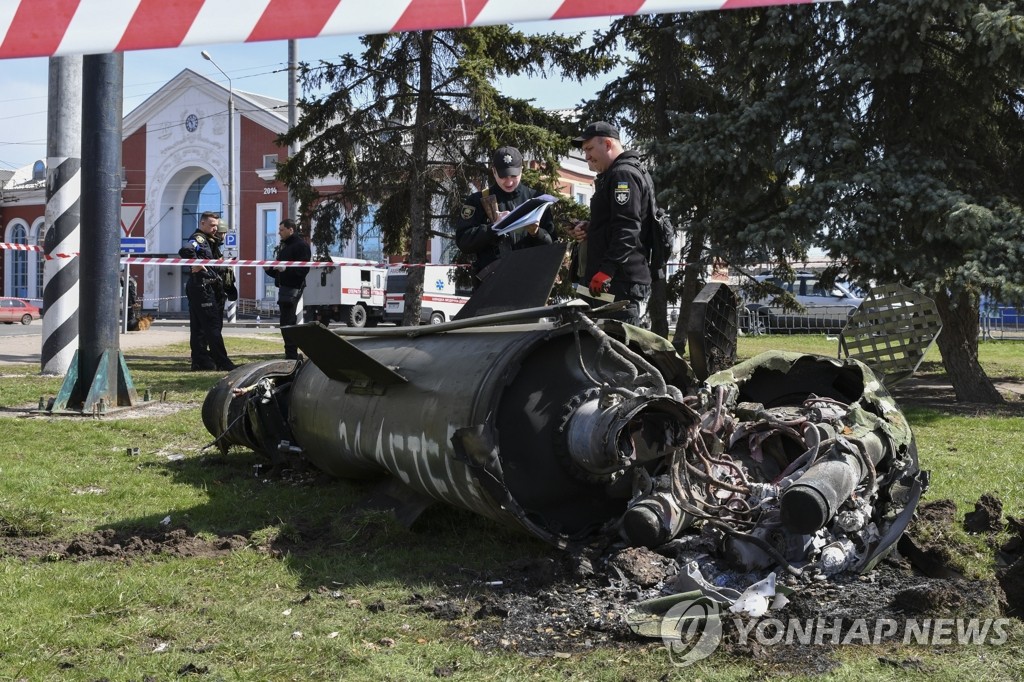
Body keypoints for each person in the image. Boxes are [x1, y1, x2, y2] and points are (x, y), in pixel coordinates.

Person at [569, 121, 654, 327]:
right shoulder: (618, 173)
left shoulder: (622, 175)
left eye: (589, 149)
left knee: (617, 349)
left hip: (617, 281)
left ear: (607, 144)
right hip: (613, 279)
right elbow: (618, 222)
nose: (587, 156)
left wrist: (606, 270)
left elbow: (627, 228)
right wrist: (591, 227)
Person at [455, 146, 556, 285]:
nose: (509, 182)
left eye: (513, 176)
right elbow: (463, 242)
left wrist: (536, 232)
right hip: (491, 285)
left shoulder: (537, 200)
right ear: (494, 171)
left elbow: (552, 247)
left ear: (522, 169)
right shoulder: (477, 201)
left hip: (529, 284)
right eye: (503, 176)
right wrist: (493, 228)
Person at [179, 211, 236, 371]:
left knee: (199, 327)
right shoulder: (198, 239)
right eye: (212, 225)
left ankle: (200, 361)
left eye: (216, 226)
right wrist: (196, 263)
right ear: (202, 223)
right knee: (212, 326)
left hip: (206, 287)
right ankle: (222, 362)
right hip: (201, 287)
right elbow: (185, 250)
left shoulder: (210, 242)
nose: (214, 229)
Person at [264, 218, 311, 359]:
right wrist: (269, 270)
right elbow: (279, 272)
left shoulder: (301, 246)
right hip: (284, 289)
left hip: (293, 289)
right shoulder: (286, 247)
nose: (279, 233)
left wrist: (286, 270)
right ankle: (291, 354)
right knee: (285, 322)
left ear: (291, 230)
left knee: (288, 322)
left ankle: (291, 355)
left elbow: (303, 270)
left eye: (281, 230)